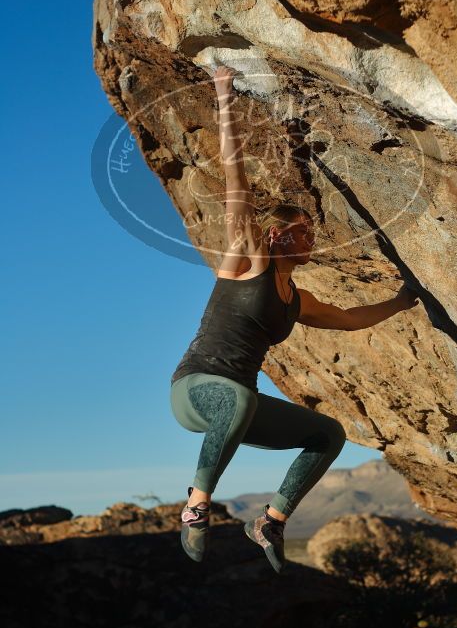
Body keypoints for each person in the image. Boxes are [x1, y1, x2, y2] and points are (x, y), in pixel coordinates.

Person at [170, 64, 419, 573]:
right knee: (239, 397)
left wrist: (403, 300)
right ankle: (196, 506)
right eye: (303, 232)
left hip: (238, 405)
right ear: (277, 234)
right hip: (195, 390)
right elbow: (235, 178)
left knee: (328, 434)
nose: (312, 240)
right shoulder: (247, 261)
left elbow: (349, 320)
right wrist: (223, 95)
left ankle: (270, 520)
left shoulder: (294, 299)